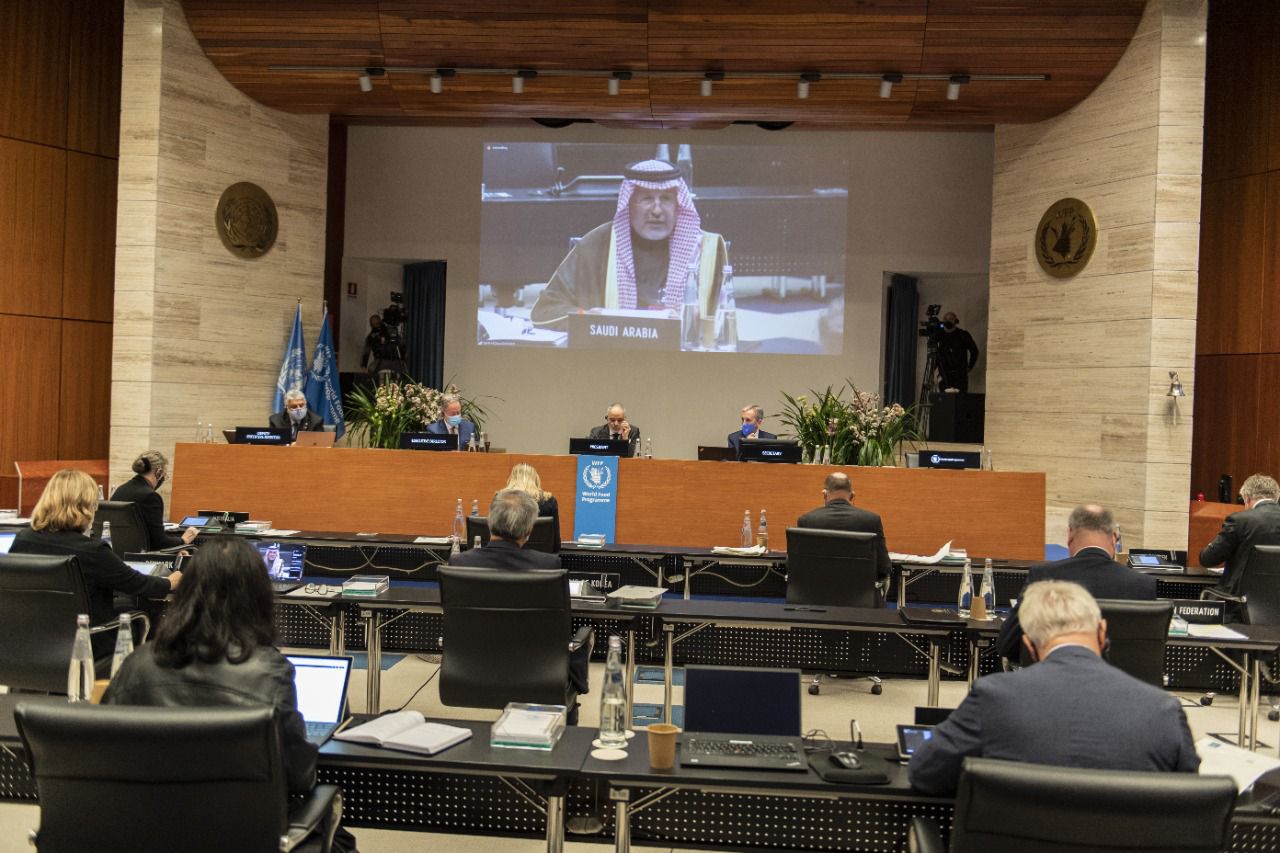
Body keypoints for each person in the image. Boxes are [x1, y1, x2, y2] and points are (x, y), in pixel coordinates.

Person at [102, 538, 357, 851]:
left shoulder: (136, 664)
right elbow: (298, 776)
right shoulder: (270, 672)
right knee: (340, 839)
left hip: (148, 832)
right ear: (259, 598)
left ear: (186, 592)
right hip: (246, 835)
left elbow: (106, 751)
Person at [908, 580, 1199, 796]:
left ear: (1028, 646)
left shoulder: (992, 697)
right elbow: (1190, 802)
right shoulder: (1164, 709)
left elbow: (925, 773)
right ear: (1102, 632)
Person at [530, 159, 730, 331]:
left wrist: (703, 322)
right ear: (629, 204)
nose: (657, 210)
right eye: (646, 199)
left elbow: (725, 321)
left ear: (678, 205)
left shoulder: (707, 250)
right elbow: (544, 311)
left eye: (666, 199)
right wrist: (587, 317)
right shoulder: (596, 245)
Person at [10, 469, 181, 659]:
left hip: (29, 643)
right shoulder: (92, 550)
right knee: (144, 611)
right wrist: (170, 582)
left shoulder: (22, 540)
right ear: (86, 506)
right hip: (87, 642)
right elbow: (140, 584)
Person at [448, 490, 590, 703]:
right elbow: (561, 623)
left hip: (470, 671)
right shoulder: (547, 565)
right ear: (529, 529)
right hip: (539, 673)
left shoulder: (459, 563)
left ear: (489, 522)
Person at [994, 504, 1156, 660]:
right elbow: (1147, 653)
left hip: (1054, 677)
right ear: (1114, 538)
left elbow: (1007, 644)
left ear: (1070, 535)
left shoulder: (1044, 576)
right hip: (1119, 678)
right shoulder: (1142, 584)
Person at [1200, 473, 1280, 612]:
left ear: (1247, 498)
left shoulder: (1240, 520)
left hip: (1237, 605)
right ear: (1276, 497)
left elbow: (1207, 559)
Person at [796, 472, 892, 583]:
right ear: (852, 496)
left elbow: (794, 564)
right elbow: (884, 567)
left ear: (824, 494)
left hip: (814, 591)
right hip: (859, 592)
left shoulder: (806, 521)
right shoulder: (871, 520)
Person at [111, 450, 199, 548]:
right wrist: (183, 540)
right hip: (144, 554)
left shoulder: (121, 490)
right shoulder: (150, 496)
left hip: (119, 552)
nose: (163, 478)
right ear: (158, 472)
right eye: (164, 475)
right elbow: (160, 542)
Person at [503, 462, 560, 547]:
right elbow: (556, 542)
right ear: (536, 479)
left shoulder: (501, 499)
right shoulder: (549, 501)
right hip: (541, 554)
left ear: (512, 479)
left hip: (508, 553)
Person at [936, 311, 980, 392]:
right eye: (945, 319)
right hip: (944, 374)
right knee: (944, 398)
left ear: (956, 320)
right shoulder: (940, 335)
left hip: (960, 375)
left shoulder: (963, 334)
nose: (948, 321)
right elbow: (936, 353)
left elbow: (974, 351)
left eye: (951, 319)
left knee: (961, 398)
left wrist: (970, 366)